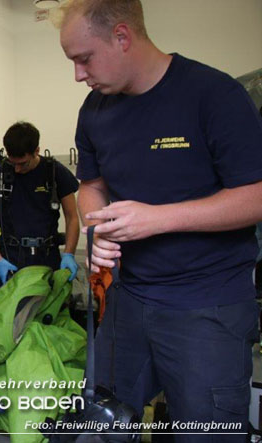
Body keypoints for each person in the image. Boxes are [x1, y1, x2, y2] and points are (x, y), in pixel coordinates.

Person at [59, 0, 262, 440]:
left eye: (84, 58)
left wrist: (158, 219)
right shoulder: (95, 110)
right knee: (100, 424)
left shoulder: (214, 95)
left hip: (207, 306)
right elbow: (90, 184)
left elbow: (256, 196)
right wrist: (96, 227)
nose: (78, 74)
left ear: (122, 36)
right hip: (129, 300)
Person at [0, 122, 80, 285]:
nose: (17, 169)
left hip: (48, 258)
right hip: (12, 259)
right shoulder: (0, 175)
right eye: (13, 163)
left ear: (37, 151)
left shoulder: (55, 172)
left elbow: (72, 216)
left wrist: (69, 253)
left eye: (23, 163)